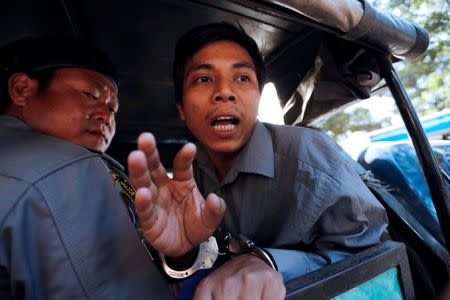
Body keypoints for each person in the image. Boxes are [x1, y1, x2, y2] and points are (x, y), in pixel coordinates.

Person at [0, 35, 285, 299]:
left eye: (113, 108)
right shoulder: (67, 169)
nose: (105, 115)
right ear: (22, 89)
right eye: (90, 95)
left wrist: (181, 256)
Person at [131, 21, 389, 294]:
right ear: (181, 107)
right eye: (203, 79)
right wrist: (183, 255)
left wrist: (267, 262)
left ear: (257, 95)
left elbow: (381, 261)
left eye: (242, 78)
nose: (224, 92)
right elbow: (211, 253)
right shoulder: (193, 175)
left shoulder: (311, 158)